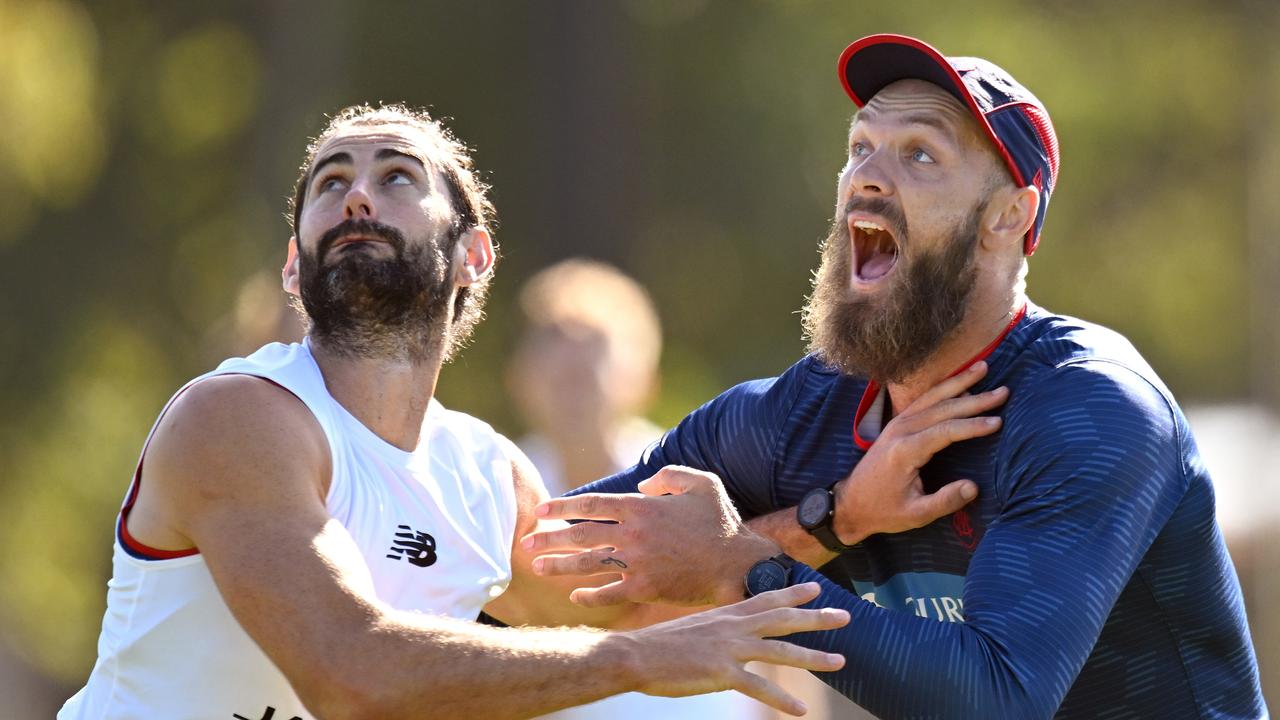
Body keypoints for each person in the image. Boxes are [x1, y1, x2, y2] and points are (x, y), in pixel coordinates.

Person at [523, 34, 1267, 719]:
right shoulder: (797, 416)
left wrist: (747, 567)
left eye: (920, 155)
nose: (866, 178)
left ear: (1008, 216)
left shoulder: (1093, 409)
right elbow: (533, 567)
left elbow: (996, 698)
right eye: (860, 147)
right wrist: (833, 518)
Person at [58, 104, 854, 720]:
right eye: (330, 183)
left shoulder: (485, 474)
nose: (357, 195)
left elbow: (635, 602)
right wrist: (640, 659)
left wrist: (841, 516)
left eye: (397, 177)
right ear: (294, 269)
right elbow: (351, 674)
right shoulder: (237, 418)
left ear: (473, 257)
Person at [507, 259, 782, 719]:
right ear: (518, 377)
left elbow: (773, 623)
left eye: (594, 347)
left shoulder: (699, 485)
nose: (572, 361)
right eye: (553, 341)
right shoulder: (490, 490)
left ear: (645, 379)